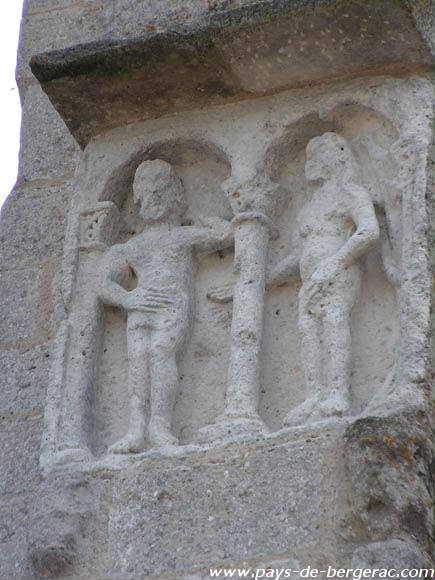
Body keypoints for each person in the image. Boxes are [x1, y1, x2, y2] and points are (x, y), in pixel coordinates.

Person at [100, 159, 233, 452]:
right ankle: (136, 430)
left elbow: (227, 235)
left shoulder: (182, 236)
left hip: (172, 305)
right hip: (141, 307)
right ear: (138, 202)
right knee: (138, 360)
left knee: (161, 354)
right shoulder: (132, 246)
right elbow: (104, 283)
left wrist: (203, 217)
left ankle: (159, 426)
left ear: (175, 197)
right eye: (146, 195)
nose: (153, 200)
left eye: (160, 193)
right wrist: (127, 298)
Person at [269, 132, 380, 425]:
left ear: (335, 157)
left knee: (333, 322)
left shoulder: (351, 193)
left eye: (317, 155)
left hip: (338, 272)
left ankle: (337, 394)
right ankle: (313, 396)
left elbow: (368, 231)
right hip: (310, 280)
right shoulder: (308, 208)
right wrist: (261, 281)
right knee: (307, 329)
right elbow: (297, 255)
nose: (310, 162)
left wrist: (335, 263)